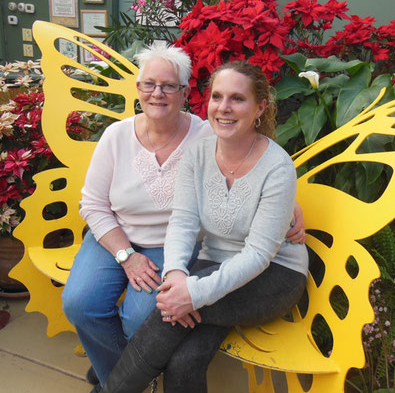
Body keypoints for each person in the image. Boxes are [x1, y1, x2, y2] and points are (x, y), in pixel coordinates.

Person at [62, 45, 306, 386]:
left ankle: (114, 382)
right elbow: (183, 218)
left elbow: (259, 250)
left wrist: (192, 292)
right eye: (218, 96)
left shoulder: (242, 151)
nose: (224, 107)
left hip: (271, 273)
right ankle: (116, 370)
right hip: (183, 254)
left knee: (160, 314)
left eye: (237, 98)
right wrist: (177, 274)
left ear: (260, 107)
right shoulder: (199, 149)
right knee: (179, 357)